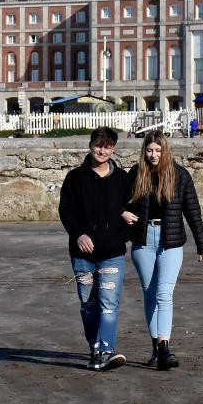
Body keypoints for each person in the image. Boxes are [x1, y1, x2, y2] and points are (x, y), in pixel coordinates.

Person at [121, 131, 203, 371]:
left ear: (165, 150)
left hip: (170, 241)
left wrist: (202, 243)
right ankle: (155, 347)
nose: (153, 155)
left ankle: (164, 348)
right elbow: (119, 202)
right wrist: (122, 213)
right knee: (150, 295)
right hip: (143, 240)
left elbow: (193, 211)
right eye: (149, 150)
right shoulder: (135, 174)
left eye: (158, 150)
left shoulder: (180, 175)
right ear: (144, 151)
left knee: (164, 294)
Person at [58, 126, 132, 371]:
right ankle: (95, 348)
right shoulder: (75, 178)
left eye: (108, 147)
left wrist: (122, 236)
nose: (102, 151)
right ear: (90, 146)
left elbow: (131, 209)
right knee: (88, 304)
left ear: (114, 149)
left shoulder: (122, 179)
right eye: (99, 145)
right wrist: (78, 234)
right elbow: (66, 211)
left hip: (113, 254)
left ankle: (106, 349)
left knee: (109, 303)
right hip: (83, 255)